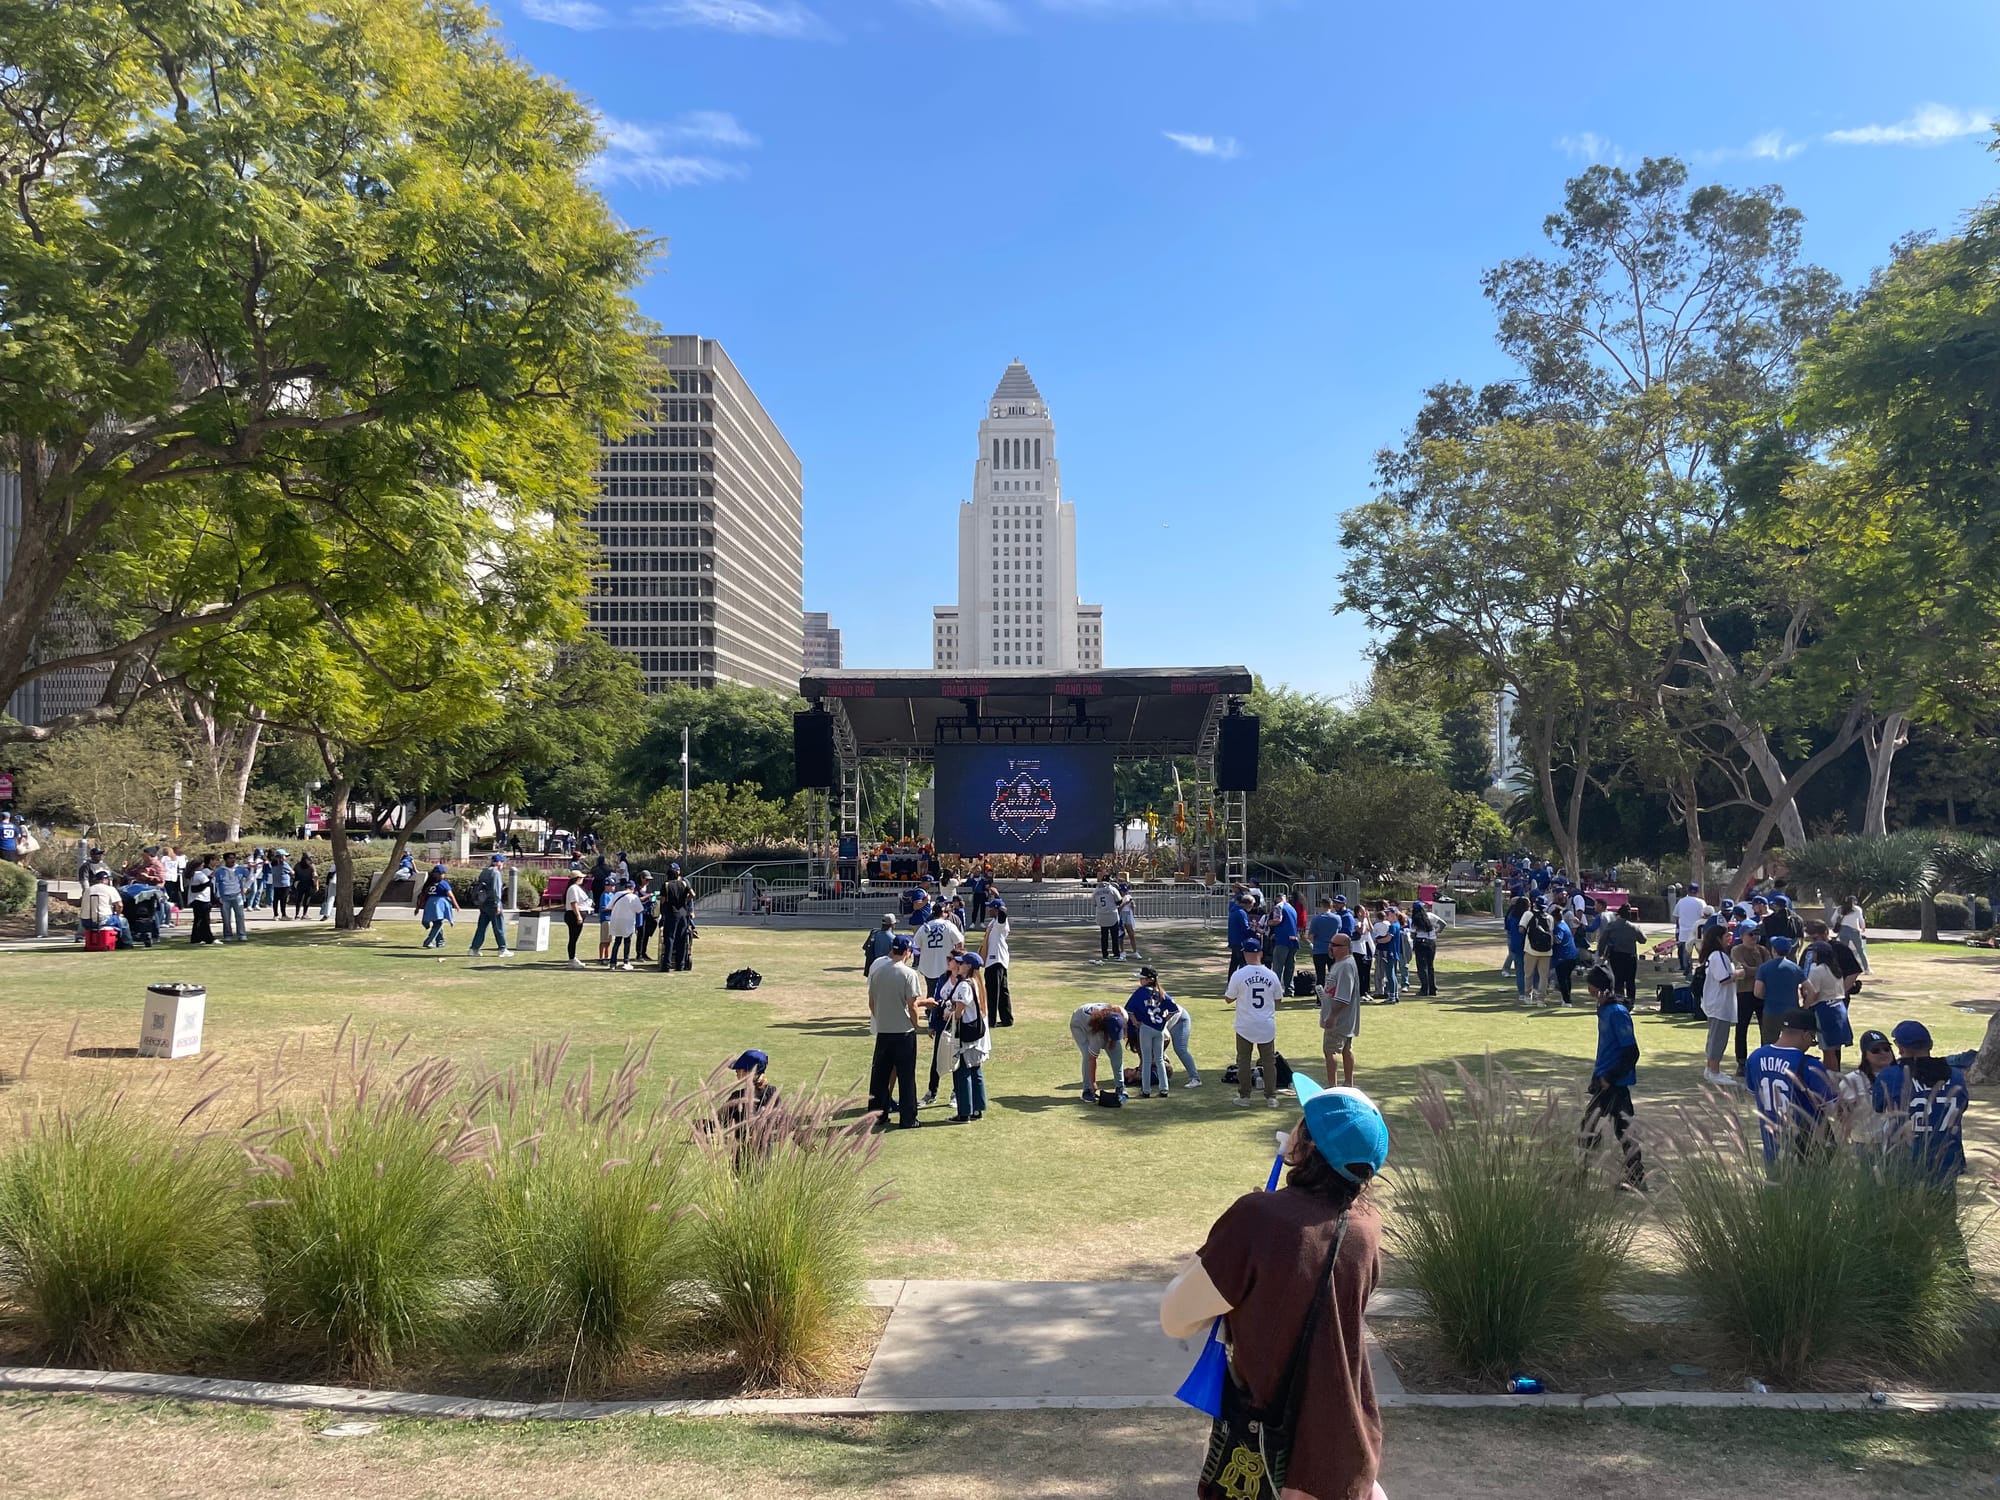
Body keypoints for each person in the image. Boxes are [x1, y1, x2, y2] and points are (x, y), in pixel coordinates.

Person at [1159, 1081, 1390, 1500]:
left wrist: (1228, 1236)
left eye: (1302, 1122)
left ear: (1308, 1144)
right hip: (1347, 1450)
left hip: (1274, 1459)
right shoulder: (1368, 1228)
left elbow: (1175, 1318)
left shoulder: (1257, 1219)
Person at [1871, 1020, 1970, 1189]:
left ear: (1901, 1048)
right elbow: (1963, 1105)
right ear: (1930, 1045)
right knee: (1943, 1211)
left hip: (1904, 1158)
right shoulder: (1955, 1075)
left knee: (1903, 1211)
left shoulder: (1890, 1075)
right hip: (1946, 1158)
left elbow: (1878, 1106)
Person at [1743, 1008, 1837, 1163]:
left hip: (1771, 1144)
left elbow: (1753, 1092)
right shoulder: (1809, 1065)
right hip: (1807, 1147)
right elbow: (1832, 1107)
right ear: (1806, 1035)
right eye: (1812, 1039)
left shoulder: (1755, 1057)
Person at [1583, 963, 1645, 1188]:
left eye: (1590, 986)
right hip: (1606, 1080)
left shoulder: (1617, 1013)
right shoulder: (1605, 1010)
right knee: (1624, 1130)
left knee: (1588, 1127)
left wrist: (1609, 1076)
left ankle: (1580, 1174)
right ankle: (1636, 1177)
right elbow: (1606, 1049)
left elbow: (1631, 1051)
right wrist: (1596, 1075)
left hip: (1613, 1084)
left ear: (1598, 988)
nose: (1588, 990)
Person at [867, 937, 925, 1130]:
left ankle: (877, 1115)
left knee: (880, 1076)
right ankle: (908, 1118)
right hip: (903, 1033)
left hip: (884, 1031)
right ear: (907, 952)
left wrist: (882, 1019)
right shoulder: (909, 974)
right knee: (906, 1077)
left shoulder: (878, 972)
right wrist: (916, 1025)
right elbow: (913, 1005)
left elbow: (872, 1003)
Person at [1225, 937, 1283, 1108]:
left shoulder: (1239, 974)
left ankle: (1244, 1096)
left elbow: (1228, 998)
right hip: (1265, 1024)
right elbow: (1278, 1000)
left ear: (1244, 954)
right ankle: (1271, 1096)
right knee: (1268, 1061)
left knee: (1243, 1060)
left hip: (1245, 1024)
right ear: (1261, 953)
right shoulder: (1271, 975)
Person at [938, 950, 990, 1124]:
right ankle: (977, 1109)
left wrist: (949, 1012)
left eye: (961, 963)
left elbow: (959, 1012)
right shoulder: (978, 983)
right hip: (977, 1034)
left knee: (962, 1072)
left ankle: (964, 1113)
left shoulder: (964, 985)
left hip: (966, 1034)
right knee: (976, 1070)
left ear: (968, 966)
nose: (958, 965)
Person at [1838, 1029, 1900, 1156]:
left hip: (1897, 1141)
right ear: (1865, 1055)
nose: (1882, 1053)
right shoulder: (1852, 1080)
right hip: (1865, 1143)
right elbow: (1839, 1112)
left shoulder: (1902, 1076)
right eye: (1875, 1050)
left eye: (1886, 1049)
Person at [1126, 967, 1183, 1097]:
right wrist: (1164, 1020)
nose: (1140, 981)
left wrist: (1135, 1022)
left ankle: (1146, 1090)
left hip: (1146, 1028)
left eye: (1142, 978)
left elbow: (1129, 1010)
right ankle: (1164, 1089)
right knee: (1159, 1060)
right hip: (1160, 1029)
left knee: (1146, 1061)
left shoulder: (1141, 992)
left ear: (1147, 980)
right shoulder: (1160, 992)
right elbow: (1174, 1009)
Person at [1800, 939, 1852, 1075]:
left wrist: (1805, 1007)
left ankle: (1830, 1079)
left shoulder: (1817, 970)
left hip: (1825, 1010)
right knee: (1833, 1049)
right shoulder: (1836, 969)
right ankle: (1834, 1076)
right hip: (1838, 1007)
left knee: (1827, 1050)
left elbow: (1814, 993)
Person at [1696, 925, 1740, 1087]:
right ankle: (1714, 1070)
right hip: (1719, 1003)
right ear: (1718, 938)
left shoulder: (1715, 955)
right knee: (1718, 1038)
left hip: (1716, 1002)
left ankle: (1711, 1069)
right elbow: (1724, 978)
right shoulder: (1718, 955)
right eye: (1726, 936)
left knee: (1715, 1036)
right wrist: (1740, 973)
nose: (1729, 938)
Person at [1320, 931, 1360, 1088]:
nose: (1331, 948)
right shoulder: (1341, 963)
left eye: (1335, 945)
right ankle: (1348, 1083)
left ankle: (1332, 1085)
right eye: (1330, 944)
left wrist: (1332, 1016)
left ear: (1345, 947)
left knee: (1331, 1050)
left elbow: (1344, 996)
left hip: (1340, 1018)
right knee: (1346, 1048)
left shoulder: (1345, 966)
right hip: (1343, 1017)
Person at [1753, 935, 1805, 1047]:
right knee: (1792, 1042)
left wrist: (1768, 996)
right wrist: (1805, 1005)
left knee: (1769, 1043)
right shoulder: (1795, 968)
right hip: (1792, 1011)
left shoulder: (1764, 968)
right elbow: (1810, 989)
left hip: (1771, 1011)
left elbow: (1757, 992)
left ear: (1773, 950)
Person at [1729, 929, 1769, 1075]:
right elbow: (1742, 970)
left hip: (1763, 993)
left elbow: (1768, 969)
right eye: (1751, 934)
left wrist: (1754, 969)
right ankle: (1741, 1062)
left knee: (1765, 1028)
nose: (1754, 937)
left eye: (1756, 934)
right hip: (1744, 993)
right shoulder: (1737, 950)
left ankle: (1766, 1060)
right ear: (1742, 936)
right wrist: (1758, 970)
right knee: (1741, 1028)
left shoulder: (1762, 950)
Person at [1070, 1002, 1127, 1103]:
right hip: (1079, 1024)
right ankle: (1087, 1090)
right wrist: (1093, 1082)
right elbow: (1092, 1059)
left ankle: (1120, 1087)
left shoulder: (1122, 1015)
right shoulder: (1097, 1035)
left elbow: (1120, 1029)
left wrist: (1114, 1040)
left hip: (1103, 1025)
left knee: (1117, 1054)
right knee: (1087, 1055)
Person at [1595, 902, 1643, 1003]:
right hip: (1630, 956)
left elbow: (1603, 940)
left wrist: (1601, 953)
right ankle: (1631, 1000)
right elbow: (1643, 940)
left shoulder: (1612, 926)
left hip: (1616, 955)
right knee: (1630, 980)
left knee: (1618, 979)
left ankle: (1619, 999)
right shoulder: (1633, 927)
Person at [470, 852, 511, 958]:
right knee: (499, 927)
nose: (503, 865)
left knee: (481, 927)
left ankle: (474, 948)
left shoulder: (484, 872)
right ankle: (502, 948)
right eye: (502, 862)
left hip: (483, 903)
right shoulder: (496, 873)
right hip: (493, 903)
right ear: (498, 863)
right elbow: (496, 890)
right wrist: (498, 904)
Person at [659, 862, 695, 972]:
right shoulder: (684, 883)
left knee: (670, 939)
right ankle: (681, 964)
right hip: (683, 913)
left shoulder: (666, 885)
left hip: (671, 913)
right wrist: (685, 900)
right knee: (682, 938)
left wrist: (663, 910)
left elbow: (662, 900)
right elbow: (693, 894)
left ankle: (667, 965)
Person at [983, 899, 1013, 1027]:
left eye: (991, 908)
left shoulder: (1001, 922)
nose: (988, 910)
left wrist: (999, 902)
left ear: (996, 909)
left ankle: (991, 1021)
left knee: (993, 993)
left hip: (996, 960)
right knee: (1002, 992)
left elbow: (1003, 914)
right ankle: (1006, 1020)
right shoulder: (993, 922)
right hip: (995, 960)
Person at [1520, 897, 1556, 1005]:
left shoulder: (1528, 914)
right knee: (1543, 976)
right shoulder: (1550, 917)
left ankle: (1527, 996)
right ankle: (1541, 999)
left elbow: (1521, 929)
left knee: (1528, 974)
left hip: (1531, 949)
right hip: (1547, 951)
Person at [606, 877, 645, 969]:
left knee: (617, 942)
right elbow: (640, 910)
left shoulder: (617, 894)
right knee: (627, 942)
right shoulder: (634, 897)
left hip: (616, 921)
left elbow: (609, 906)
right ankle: (626, 962)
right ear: (633, 888)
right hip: (628, 922)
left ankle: (612, 963)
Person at [1266, 891, 1299, 995]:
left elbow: (1277, 920)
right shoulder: (1292, 908)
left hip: (1282, 940)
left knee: (1278, 966)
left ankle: (1276, 990)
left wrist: (1267, 922)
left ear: (1277, 899)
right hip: (1293, 939)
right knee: (1290, 966)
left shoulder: (1278, 907)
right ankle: (1289, 989)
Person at [1408, 900, 1443, 996]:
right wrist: (1436, 932)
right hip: (1431, 942)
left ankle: (1424, 989)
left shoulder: (1415, 920)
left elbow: (1412, 934)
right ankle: (1432, 989)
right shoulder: (1431, 916)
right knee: (1430, 966)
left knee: (1422, 967)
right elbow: (1443, 923)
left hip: (1420, 943)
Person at [213, 850, 248, 943]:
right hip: (225, 896)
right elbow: (216, 883)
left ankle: (242, 934)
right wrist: (218, 895)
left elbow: (251, 877)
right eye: (230, 858)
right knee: (226, 917)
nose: (232, 860)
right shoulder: (220, 871)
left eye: (233, 858)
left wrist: (245, 887)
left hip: (237, 895)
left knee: (240, 916)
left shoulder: (240, 869)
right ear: (226, 860)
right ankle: (227, 935)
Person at [1673, 881, 1707, 976]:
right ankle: (1703, 967)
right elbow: (1704, 916)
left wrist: (1678, 929)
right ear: (1697, 891)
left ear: (1688, 891)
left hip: (1684, 931)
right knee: (1701, 950)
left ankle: (1687, 969)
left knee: (1686, 951)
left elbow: (1676, 916)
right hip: (1698, 931)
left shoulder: (1681, 901)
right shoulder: (1701, 902)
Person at [420, 867, 458, 949]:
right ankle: (428, 941)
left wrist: (419, 906)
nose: (443, 875)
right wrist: (456, 905)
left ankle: (440, 941)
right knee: (438, 923)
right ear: (435, 874)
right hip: (439, 906)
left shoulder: (429, 884)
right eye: (441, 873)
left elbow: (423, 896)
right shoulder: (443, 883)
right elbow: (450, 895)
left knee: (436, 923)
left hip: (430, 905)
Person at [1308, 897, 1341, 988]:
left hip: (1319, 950)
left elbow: (1310, 936)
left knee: (1320, 976)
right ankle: (1334, 996)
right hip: (1332, 950)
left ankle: (1320, 999)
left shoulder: (1316, 919)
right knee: (1334, 975)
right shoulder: (1337, 918)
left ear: (1321, 905)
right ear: (1331, 906)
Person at [186, 854, 216, 945]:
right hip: (202, 899)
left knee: (198, 920)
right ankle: (208, 938)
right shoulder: (200, 874)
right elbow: (205, 884)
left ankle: (196, 938)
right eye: (202, 865)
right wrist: (210, 878)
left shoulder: (191, 875)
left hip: (195, 900)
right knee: (205, 920)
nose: (203, 866)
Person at [1093, 873, 1123, 962]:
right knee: (1114, 936)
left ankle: (1105, 954)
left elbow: (1094, 903)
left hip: (1101, 915)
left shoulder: (1096, 891)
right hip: (1112, 914)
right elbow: (1119, 901)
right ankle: (1116, 954)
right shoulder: (1112, 889)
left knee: (1104, 936)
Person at [1836, 897, 1870, 973]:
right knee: (1860, 950)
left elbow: (1834, 919)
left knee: (1843, 950)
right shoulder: (1857, 909)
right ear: (1854, 902)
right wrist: (1863, 927)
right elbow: (1861, 919)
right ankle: (1866, 968)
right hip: (1854, 930)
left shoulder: (1841, 909)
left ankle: (1842, 967)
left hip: (1843, 929)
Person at [1226, 890, 1256, 976]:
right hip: (1240, 942)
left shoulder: (1234, 911)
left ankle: (1231, 984)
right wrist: (1253, 930)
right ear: (1247, 904)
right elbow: (1245, 929)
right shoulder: (1241, 913)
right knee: (1243, 964)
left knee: (1234, 964)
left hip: (1234, 941)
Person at [1119, 884, 1144, 962]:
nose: (1124, 893)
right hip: (1121, 916)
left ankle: (1135, 951)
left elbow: (1133, 909)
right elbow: (1118, 909)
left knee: (1131, 934)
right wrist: (1125, 903)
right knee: (1121, 935)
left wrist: (1132, 905)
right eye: (1123, 891)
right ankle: (1122, 951)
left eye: (1125, 891)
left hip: (1128, 915)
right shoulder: (1118, 898)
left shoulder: (1129, 897)